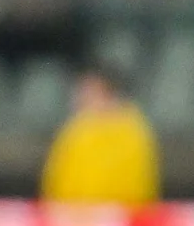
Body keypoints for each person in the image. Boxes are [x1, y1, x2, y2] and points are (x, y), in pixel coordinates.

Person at [40, 65, 159, 205]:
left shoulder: (133, 131)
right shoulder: (75, 129)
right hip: (72, 212)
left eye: (87, 91)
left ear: (105, 92)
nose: (79, 98)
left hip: (120, 212)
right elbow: (56, 176)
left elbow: (139, 182)